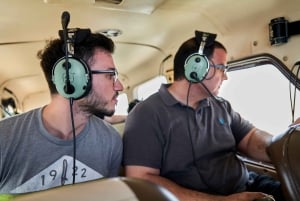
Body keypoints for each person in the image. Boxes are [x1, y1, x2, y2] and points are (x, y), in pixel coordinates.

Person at [122, 31, 293, 201]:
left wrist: (285, 142)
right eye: (222, 68)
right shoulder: (146, 114)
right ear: (197, 67)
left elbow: (250, 140)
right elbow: (143, 180)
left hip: (248, 184)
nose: (226, 76)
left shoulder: (221, 105)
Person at [0, 30, 124, 194]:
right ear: (72, 78)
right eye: (110, 75)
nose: (119, 86)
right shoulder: (4, 138)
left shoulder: (111, 141)